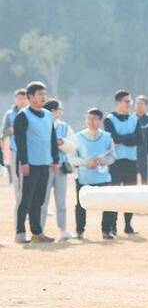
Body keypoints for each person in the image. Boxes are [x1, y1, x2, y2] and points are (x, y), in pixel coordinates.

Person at [13, 81, 58, 244]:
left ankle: (37, 233)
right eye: (40, 94)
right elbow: (20, 141)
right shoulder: (22, 116)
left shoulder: (48, 115)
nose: (43, 97)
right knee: (25, 198)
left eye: (44, 94)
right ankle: (19, 233)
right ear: (30, 97)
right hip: (29, 164)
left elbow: (52, 139)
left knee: (39, 200)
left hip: (45, 163)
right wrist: (24, 162)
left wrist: (55, 159)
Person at [71, 108, 115, 239]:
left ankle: (107, 231)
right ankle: (79, 231)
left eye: (95, 119)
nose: (91, 122)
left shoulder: (107, 137)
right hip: (84, 177)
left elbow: (112, 157)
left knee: (108, 204)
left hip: (103, 177)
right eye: (89, 119)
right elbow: (72, 158)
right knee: (81, 205)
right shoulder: (77, 137)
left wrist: (102, 161)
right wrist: (86, 163)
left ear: (100, 121)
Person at [104, 90, 142, 237]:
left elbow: (140, 140)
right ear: (118, 102)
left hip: (131, 162)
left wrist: (123, 139)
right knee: (114, 195)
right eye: (126, 101)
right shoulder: (109, 119)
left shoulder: (134, 119)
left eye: (130, 101)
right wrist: (130, 138)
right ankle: (112, 226)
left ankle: (128, 225)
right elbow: (114, 138)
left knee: (130, 195)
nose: (129, 104)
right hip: (115, 162)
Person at [40, 99, 75, 240]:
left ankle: (63, 230)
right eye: (60, 109)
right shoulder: (41, 125)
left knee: (61, 202)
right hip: (45, 168)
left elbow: (73, 146)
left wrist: (61, 143)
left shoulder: (65, 127)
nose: (61, 112)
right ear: (53, 111)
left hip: (61, 169)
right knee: (43, 201)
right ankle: (39, 230)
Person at [2, 88, 28, 199]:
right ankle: (20, 205)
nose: (21, 101)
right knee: (17, 179)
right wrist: (12, 130)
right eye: (19, 98)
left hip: (31, 152)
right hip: (16, 152)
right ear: (15, 99)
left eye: (24, 98)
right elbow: (4, 132)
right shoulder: (9, 114)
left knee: (32, 179)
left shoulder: (31, 113)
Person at [135, 95, 148, 185]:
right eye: (137, 103)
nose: (139, 106)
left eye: (141, 104)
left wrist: (134, 129)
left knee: (144, 177)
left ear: (146, 106)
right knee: (131, 177)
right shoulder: (130, 118)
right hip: (132, 151)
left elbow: (147, 129)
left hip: (144, 152)